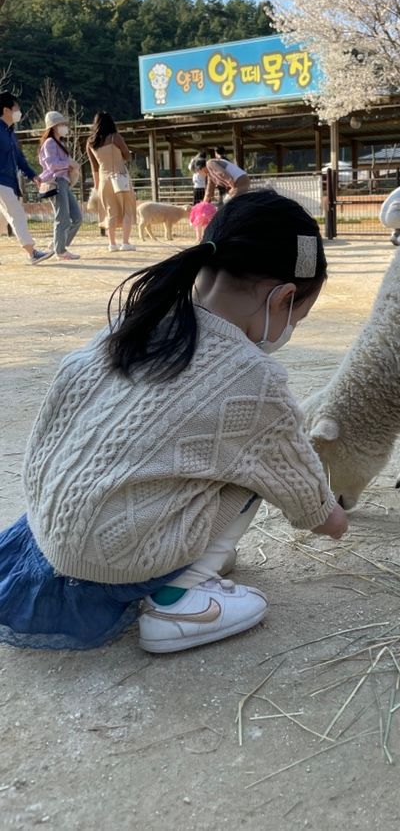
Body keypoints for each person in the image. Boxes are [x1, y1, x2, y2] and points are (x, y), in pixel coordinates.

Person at [0, 190, 348, 653]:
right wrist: (336, 518)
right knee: (261, 462)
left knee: (216, 452)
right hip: (109, 555)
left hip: (48, 528)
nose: (290, 329)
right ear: (283, 297)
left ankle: (184, 564)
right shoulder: (254, 378)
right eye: (297, 318)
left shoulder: (141, 319)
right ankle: (179, 599)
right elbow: (314, 509)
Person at [0, 92, 51, 264]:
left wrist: (33, 175)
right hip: (2, 181)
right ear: (6, 110)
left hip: (8, 181)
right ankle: (32, 252)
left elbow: (19, 159)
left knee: (3, 220)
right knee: (17, 215)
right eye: (16, 108)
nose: (19, 111)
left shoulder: (10, 133)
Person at [86, 112, 137, 252]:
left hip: (103, 180)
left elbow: (94, 167)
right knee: (127, 209)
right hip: (120, 177)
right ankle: (125, 243)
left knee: (110, 212)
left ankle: (112, 244)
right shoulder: (115, 137)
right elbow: (127, 155)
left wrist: (96, 186)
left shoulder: (90, 142)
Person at [38, 111, 83, 261]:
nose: (64, 127)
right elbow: (51, 165)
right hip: (56, 182)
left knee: (77, 218)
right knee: (62, 218)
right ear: (54, 126)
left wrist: (69, 168)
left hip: (63, 182)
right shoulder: (50, 143)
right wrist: (68, 164)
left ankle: (58, 245)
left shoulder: (59, 143)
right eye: (61, 124)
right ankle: (60, 250)